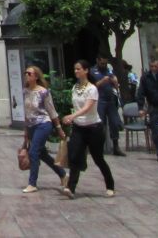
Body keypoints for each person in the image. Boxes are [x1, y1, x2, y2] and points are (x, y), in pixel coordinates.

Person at [61, 59, 115, 199]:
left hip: (94, 128)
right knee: (74, 156)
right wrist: (72, 118)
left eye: (78, 69)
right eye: (75, 69)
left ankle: (110, 185)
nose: (76, 71)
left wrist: (72, 116)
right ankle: (71, 188)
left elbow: (87, 108)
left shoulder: (92, 89)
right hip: (79, 128)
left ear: (86, 70)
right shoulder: (75, 88)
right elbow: (76, 106)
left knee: (98, 158)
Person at [19, 66, 67, 193]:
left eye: (29, 73)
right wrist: (25, 131)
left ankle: (32, 183)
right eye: (26, 73)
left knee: (34, 152)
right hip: (31, 126)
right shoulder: (25, 91)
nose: (26, 75)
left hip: (43, 124)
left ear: (36, 76)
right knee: (42, 154)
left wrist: (59, 128)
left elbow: (52, 111)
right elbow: (27, 112)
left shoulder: (43, 92)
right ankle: (62, 174)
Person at [89, 55, 125, 156]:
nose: (103, 65)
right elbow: (91, 86)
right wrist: (102, 81)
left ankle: (116, 147)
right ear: (97, 60)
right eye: (102, 63)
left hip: (110, 100)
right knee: (101, 124)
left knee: (114, 122)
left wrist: (115, 82)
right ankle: (100, 147)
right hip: (100, 100)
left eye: (105, 63)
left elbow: (116, 86)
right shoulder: (92, 71)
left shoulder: (108, 71)